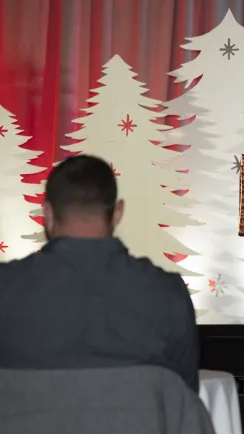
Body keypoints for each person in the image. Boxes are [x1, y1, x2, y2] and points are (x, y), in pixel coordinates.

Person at [0, 155, 200, 392]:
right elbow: (185, 404)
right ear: (118, 212)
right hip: (135, 430)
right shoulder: (167, 294)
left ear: (48, 213)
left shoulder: (6, 290)